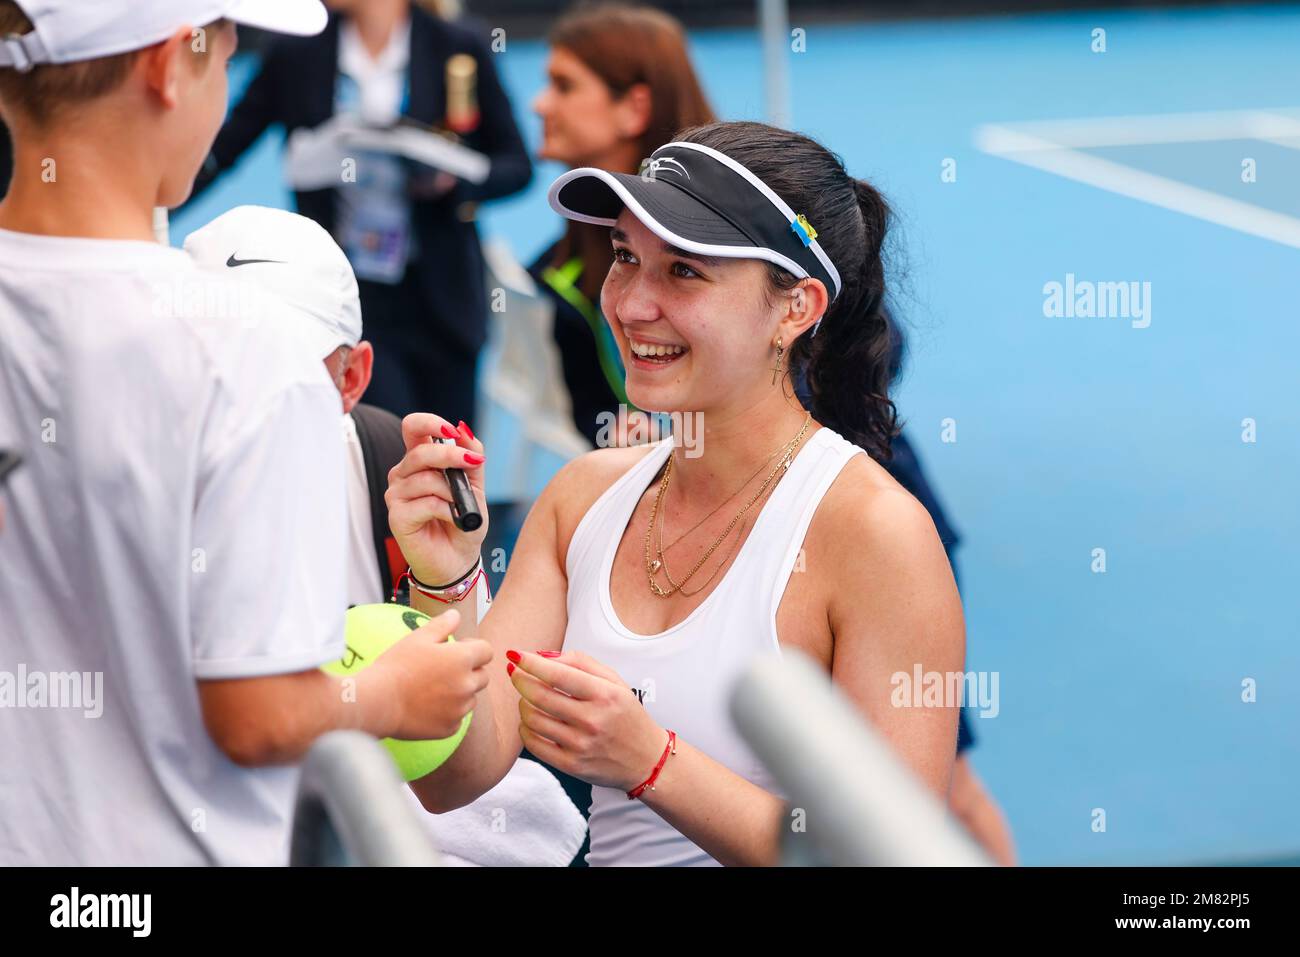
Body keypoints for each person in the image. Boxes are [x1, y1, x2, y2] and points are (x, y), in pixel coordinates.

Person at [387, 120, 967, 866]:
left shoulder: (879, 534)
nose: (629, 304)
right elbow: (460, 775)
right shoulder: (582, 497)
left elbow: (891, 854)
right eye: (626, 258)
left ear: (796, 308)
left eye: (684, 271)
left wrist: (652, 762)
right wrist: (448, 579)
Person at [0, 0, 490, 866]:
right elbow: (257, 716)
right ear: (166, 65)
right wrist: (388, 692)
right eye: (226, 58)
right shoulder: (245, 352)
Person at [184, 204, 588, 866]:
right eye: (203, 353)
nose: (230, 390)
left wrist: (442, 576)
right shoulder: (131, 477)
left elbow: (455, 765)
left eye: (273, 364)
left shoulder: (387, 472)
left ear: (352, 377)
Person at [187, 0, 533, 426]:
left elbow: (516, 166)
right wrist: (141, 207)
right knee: (382, 447)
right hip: (348, 294)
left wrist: (450, 181)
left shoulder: (457, 44)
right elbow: (223, 150)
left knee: (449, 455)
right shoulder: (298, 49)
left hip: (441, 296)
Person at [528, 3, 715, 447]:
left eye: (563, 85)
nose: (539, 104)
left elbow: (854, 342)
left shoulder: (740, 227)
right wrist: (624, 435)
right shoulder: (560, 268)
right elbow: (591, 413)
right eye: (626, 256)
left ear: (634, 108)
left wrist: (703, 443)